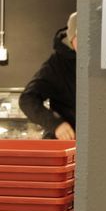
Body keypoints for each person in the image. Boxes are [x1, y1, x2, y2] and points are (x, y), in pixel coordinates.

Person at [20, 12, 77, 140]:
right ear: (71, 37)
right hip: (65, 142)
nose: (87, 43)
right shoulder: (56, 64)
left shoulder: (101, 60)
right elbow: (27, 99)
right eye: (81, 36)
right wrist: (56, 124)